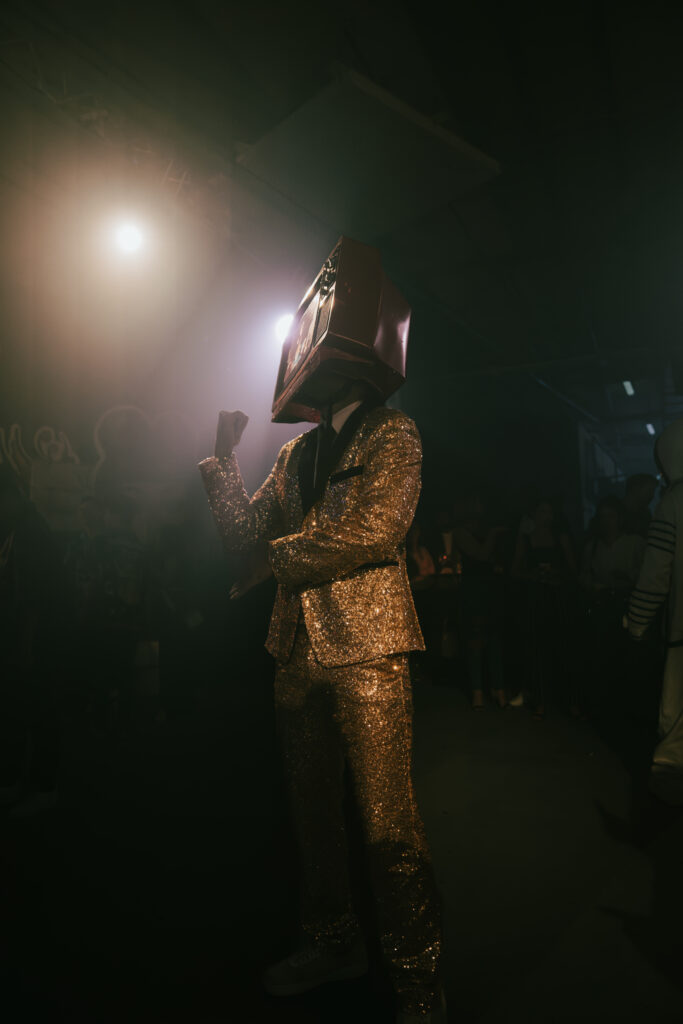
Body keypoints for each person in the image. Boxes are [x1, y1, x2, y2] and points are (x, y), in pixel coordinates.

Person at [198, 238, 445, 1023]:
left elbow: (375, 531)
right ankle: (334, 942)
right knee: (313, 822)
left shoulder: (393, 434)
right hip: (294, 653)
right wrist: (221, 463)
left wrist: (278, 558)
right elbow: (242, 541)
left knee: (388, 827)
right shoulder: (295, 454)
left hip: (368, 649)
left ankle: (418, 982)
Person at [0, 465, 65, 813]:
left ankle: (39, 787)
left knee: (34, 711)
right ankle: (28, 783)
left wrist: (25, 646)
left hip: (35, 642)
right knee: (29, 710)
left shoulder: (29, 534)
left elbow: (35, 599)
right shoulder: (23, 528)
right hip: (33, 641)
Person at [626, 420, 683, 805]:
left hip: (681, 636)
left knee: (675, 727)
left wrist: (637, 622)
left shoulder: (672, 503)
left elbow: (654, 576)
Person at [511, 497, 576, 719]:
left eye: (549, 512)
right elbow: (515, 571)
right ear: (534, 514)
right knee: (538, 648)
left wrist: (556, 575)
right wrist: (534, 575)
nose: (546, 517)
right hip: (536, 599)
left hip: (557, 598)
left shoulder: (560, 538)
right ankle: (540, 700)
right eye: (542, 512)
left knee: (563, 647)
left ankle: (569, 700)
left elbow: (572, 569)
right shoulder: (526, 539)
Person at [452, 489, 507, 710]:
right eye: (475, 501)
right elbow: (481, 554)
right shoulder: (460, 532)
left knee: (494, 638)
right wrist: (493, 536)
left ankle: (498, 688)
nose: (479, 505)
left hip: (490, 588)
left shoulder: (485, 528)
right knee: (476, 639)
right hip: (474, 590)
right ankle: (478, 691)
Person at [623, 473, 657, 538]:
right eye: (649, 491)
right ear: (636, 489)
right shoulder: (616, 513)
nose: (652, 496)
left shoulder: (646, 513)